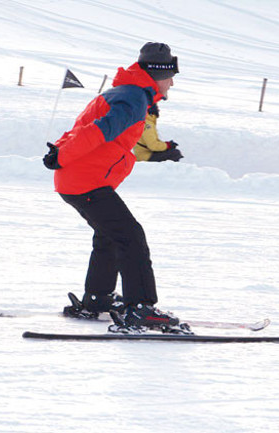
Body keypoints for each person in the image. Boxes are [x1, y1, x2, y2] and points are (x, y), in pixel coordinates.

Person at [42, 42, 181, 329]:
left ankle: (98, 299)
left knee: (110, 235)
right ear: (158, 74)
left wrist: (59, 151)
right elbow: (98, 131)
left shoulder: (125, 92)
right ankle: (141, 307)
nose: (171, 84)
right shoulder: (133, 98)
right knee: (131, 237)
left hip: (79, 179)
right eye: (170, 77)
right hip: (86, 181)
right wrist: (62, 154)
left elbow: (81, 128)